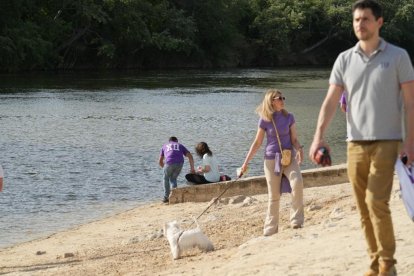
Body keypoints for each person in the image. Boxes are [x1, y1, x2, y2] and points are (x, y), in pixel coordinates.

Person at [308, 1, 414, 275]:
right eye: (356, 20)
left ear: (379, 22)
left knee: (376, 201)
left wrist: (410, 142)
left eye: (365, 19)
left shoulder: (399, 56)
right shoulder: (344, 59)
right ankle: (375, 262)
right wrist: (318, 136)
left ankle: (388, 265)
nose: (360, 24)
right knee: (363, 207)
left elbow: (410, 104)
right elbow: (331, 101)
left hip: (387, 141)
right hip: (354, 143)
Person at [240, 89, 304, 236]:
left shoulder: (289, 117)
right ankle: (270, 229)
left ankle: (296, 221)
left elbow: (294, 139)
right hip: (271, 160)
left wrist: (299, 149)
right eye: (279, 98)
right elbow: (257, 143)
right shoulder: (264, 119)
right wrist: (245, 163)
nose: (282, 100)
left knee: (297, 182)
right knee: (274, 195)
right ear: (271, 101)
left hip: (288, 157)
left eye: (283, 97)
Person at [159, 136, 195, 203]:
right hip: (180, 163)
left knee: (165, 178)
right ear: (176, 141)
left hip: (169, 162)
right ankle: (174, 196)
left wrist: (165, 168)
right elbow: (190, 156)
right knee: (173, 179)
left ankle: (166, 197)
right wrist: (192, 168)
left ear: (169, 141)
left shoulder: (165, 146)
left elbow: (160, 161)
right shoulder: (180, 145)